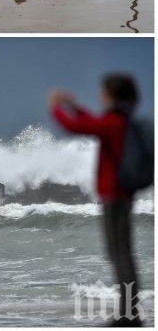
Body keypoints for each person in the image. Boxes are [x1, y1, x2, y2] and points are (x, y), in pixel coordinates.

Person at [50, 75, 142, 326]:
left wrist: (56, 108)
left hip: (115, 197)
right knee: (121, 254)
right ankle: (130, 314)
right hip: (121, 196)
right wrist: (74, 106)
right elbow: (92, 122)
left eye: (104, 92)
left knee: (120, 255)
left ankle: (129, 316)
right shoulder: (120, 121)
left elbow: (76, 128)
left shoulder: (114, 123)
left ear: (111, 95)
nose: (100, 95)